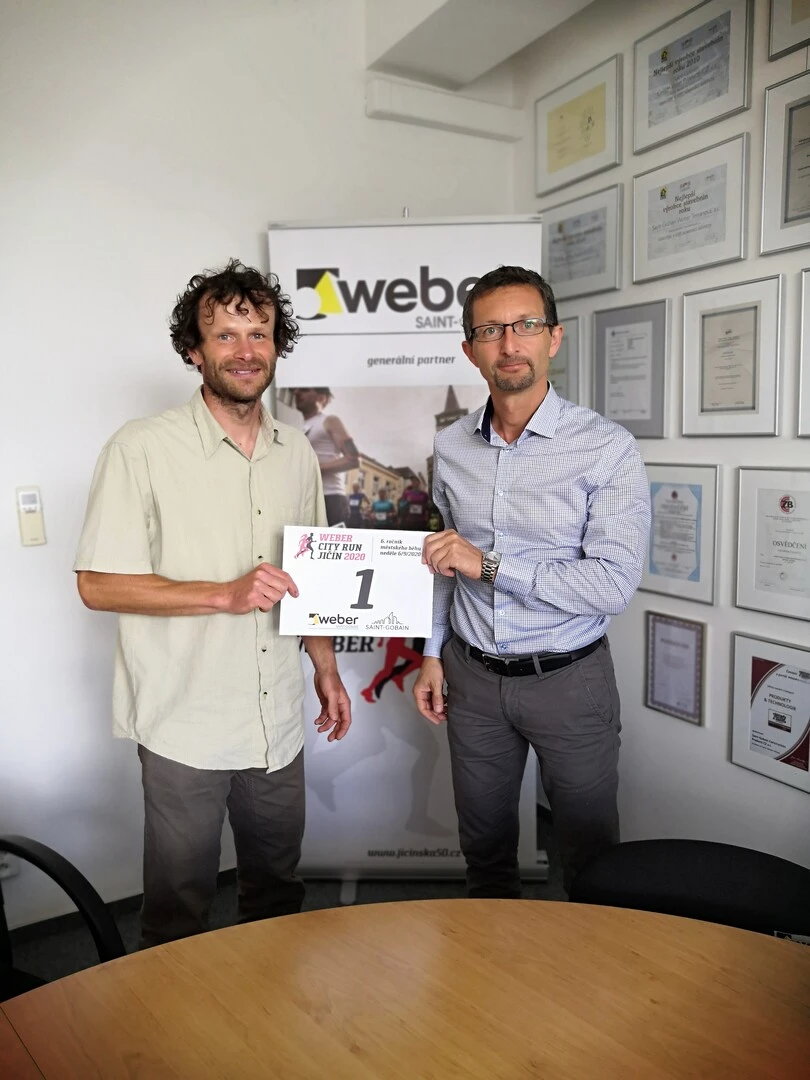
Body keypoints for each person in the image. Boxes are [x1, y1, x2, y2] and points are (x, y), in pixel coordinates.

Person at [74, 259, 352, 948]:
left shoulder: (297, 452)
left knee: (277, 893)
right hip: (185, 722)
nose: (245, 350)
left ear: (277, 346)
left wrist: (325, 668)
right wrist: (224, 593)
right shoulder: (140, 448)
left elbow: (311, 574)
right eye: (225, 335)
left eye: (259, 333)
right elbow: (97, 584)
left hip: (277, 720)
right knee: (178, 912)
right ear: (194, 351)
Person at [412, 265, 650, 897]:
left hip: (569, 680)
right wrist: (432, 654)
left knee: (592, 859)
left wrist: (489, 565)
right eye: (490, 330)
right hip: (472, 678)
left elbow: (612, 585)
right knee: (485, 853)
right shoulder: (451, 447)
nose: (509, 343)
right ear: (470, 350)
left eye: (525, 325)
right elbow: (446, 560)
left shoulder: (607, 448)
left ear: (554, 337)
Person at [293, 387, 359, 525]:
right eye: (296, 389)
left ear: (321, 398)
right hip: (305, 500)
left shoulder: (330, 421)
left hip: (330, 498)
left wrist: (316, 467)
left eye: (304, 390)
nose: (296, 392)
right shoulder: (300, 427)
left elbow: (353, 459)